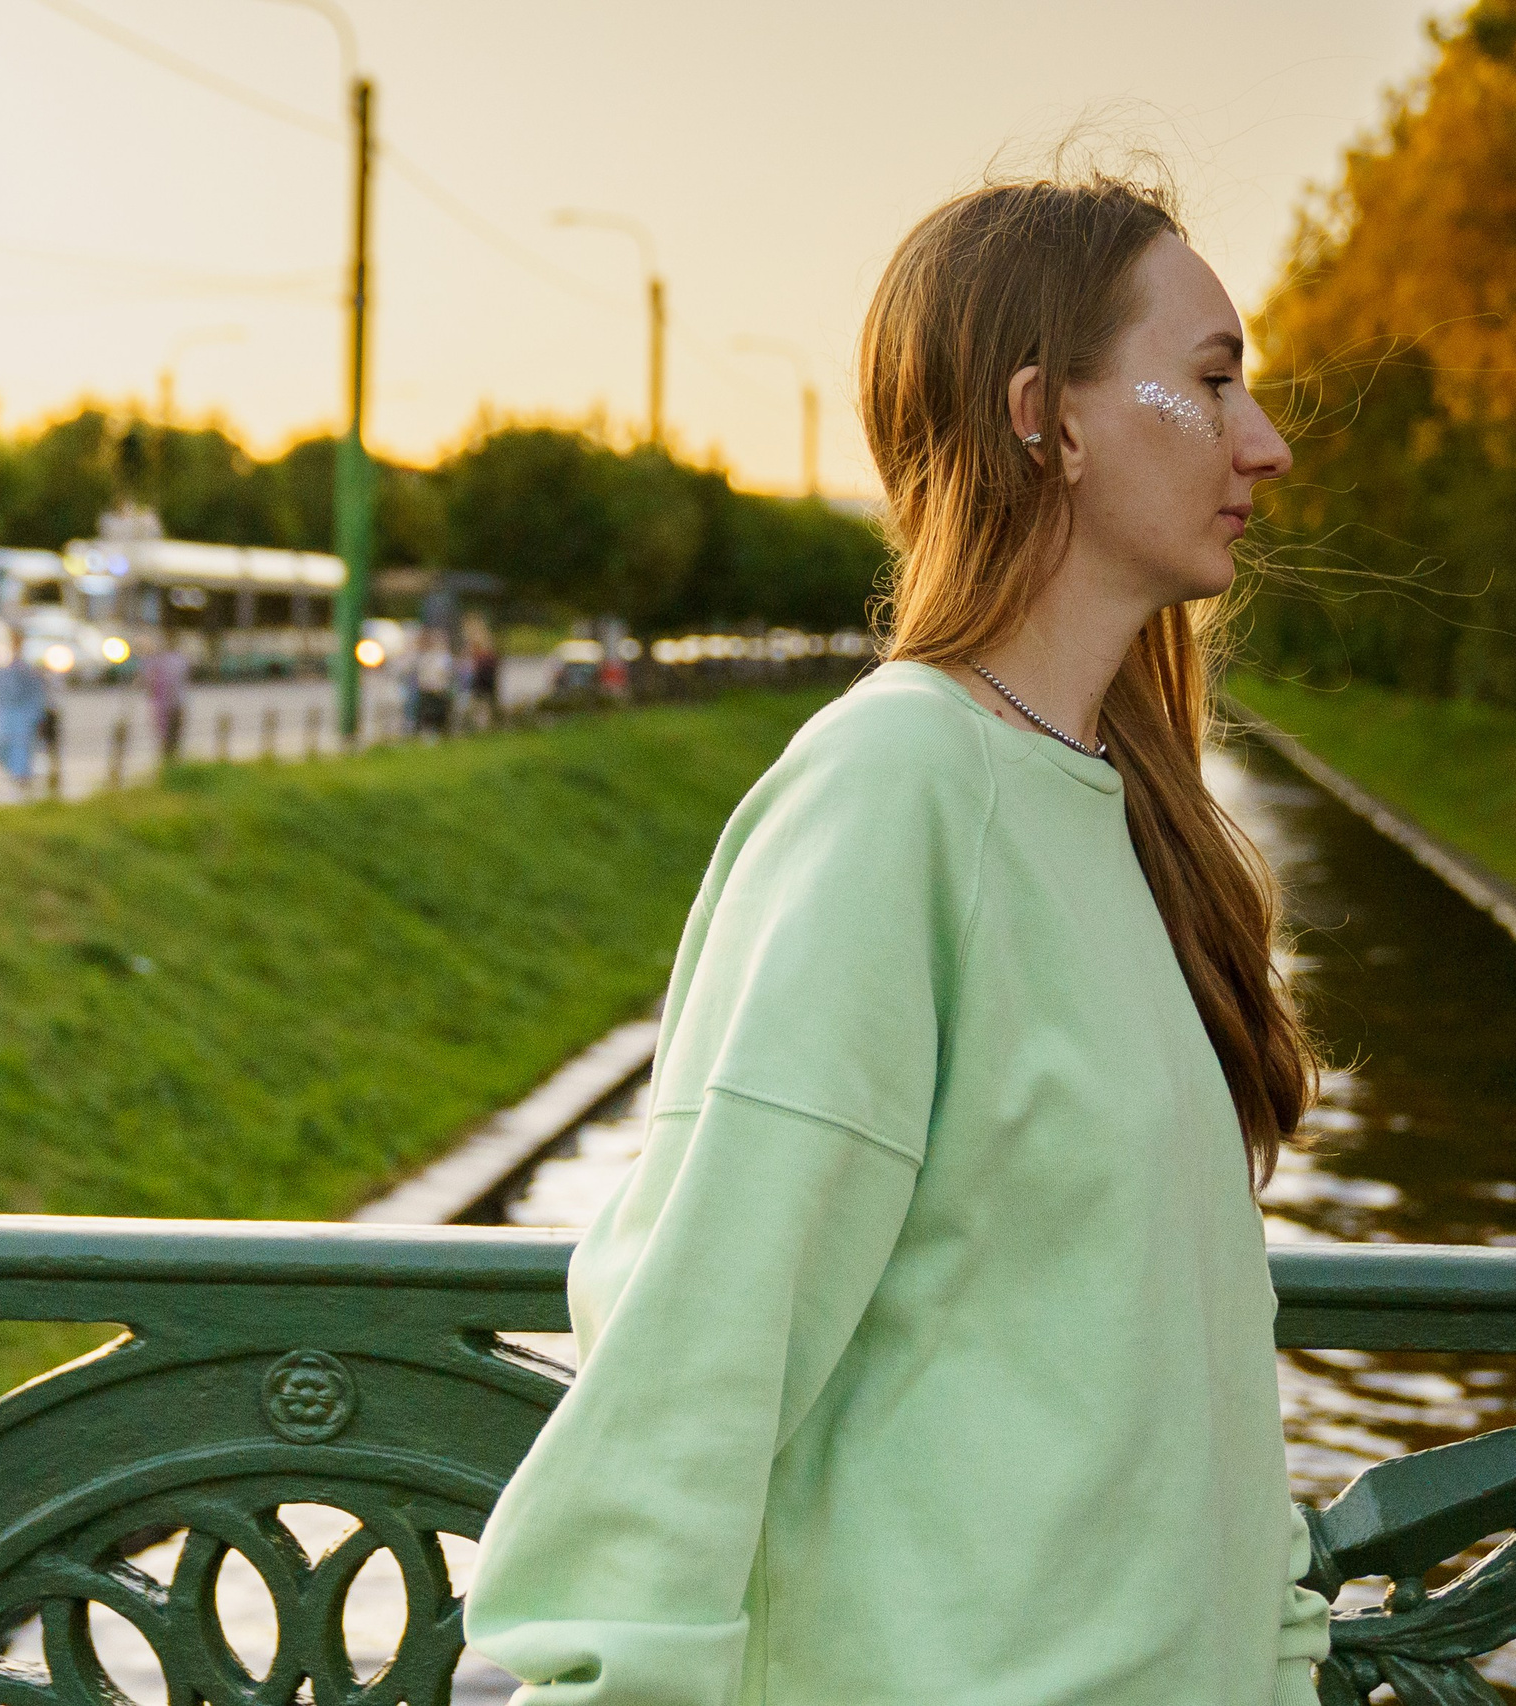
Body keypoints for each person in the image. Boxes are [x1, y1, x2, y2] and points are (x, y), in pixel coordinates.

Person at [465, 175, 1328, 1704]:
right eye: (1207, 380)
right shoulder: (895, 792)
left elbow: (1182, 1378)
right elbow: (701, 1344)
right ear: (1043, 415)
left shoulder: (1120, 816)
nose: (1261, 438)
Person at [0, 639, 48, 792]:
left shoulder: (28, 666)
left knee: (21, 746)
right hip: (6, 713)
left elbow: (36, 692)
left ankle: (22, 777)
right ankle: (17, 775)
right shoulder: (3, 665)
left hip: (23, 713)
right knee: (1, 744)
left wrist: (36, 713)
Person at [142, 639, 190, 762]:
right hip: (171, 704)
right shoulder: (177, 660)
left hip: (167, 705)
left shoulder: (159, 662)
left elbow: (149, 683)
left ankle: (169, 762)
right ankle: (170, 762)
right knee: (170, 738)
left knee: (168, 738)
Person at [462, 613, 500, 730]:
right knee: (477, 704)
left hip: (484, 678)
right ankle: (480, 726)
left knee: (484, 703)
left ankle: (484, 726)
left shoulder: (483, 646)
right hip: (477, 679)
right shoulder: (473, 646)